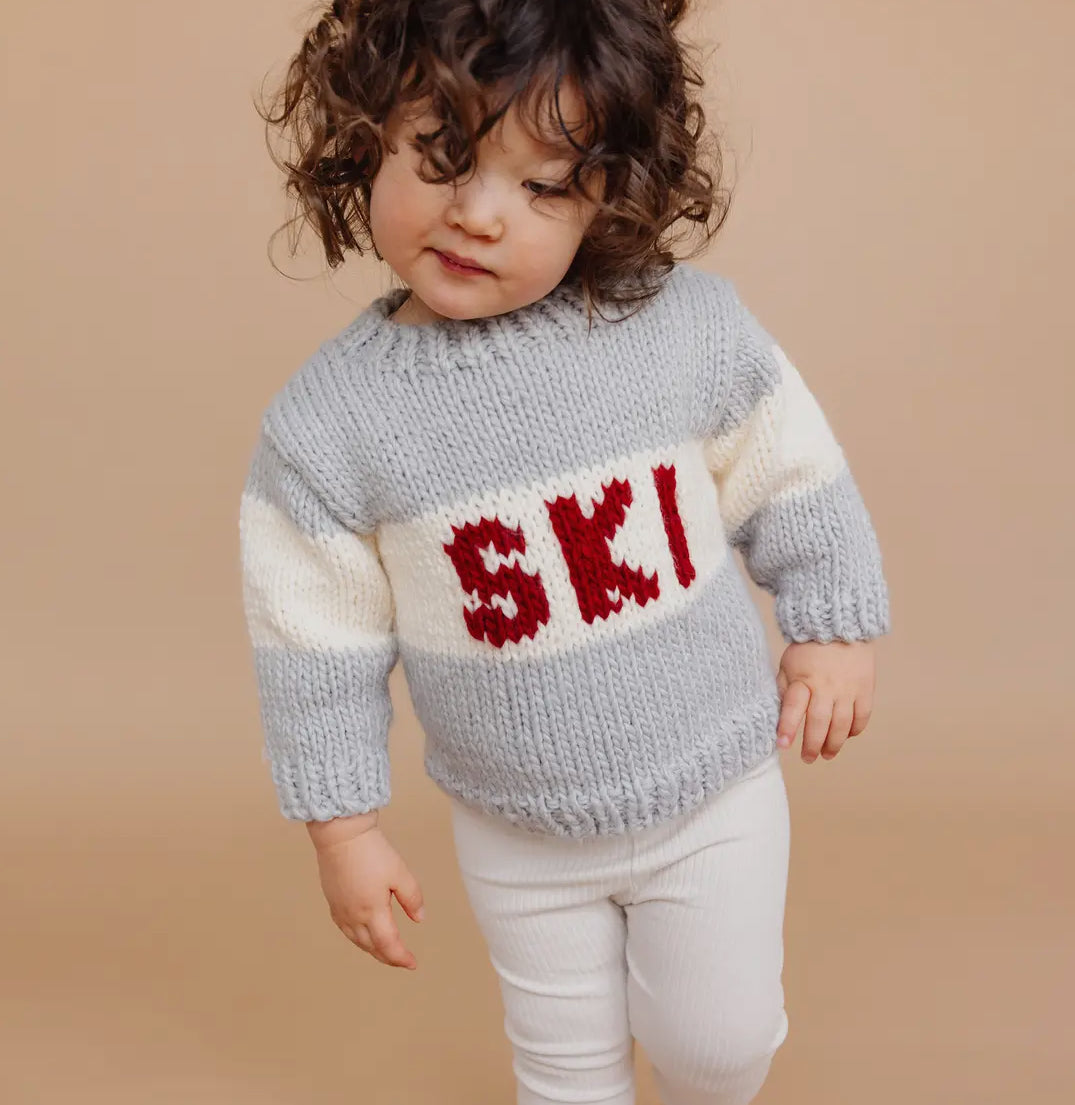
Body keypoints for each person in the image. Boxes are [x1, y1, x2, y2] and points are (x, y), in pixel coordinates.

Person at [238, 2, 892, 1103]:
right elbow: (313, 644)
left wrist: (833, 622)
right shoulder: (327, 428)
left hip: (714, 789)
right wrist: (342, 826)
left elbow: (790, 470)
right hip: (516, 828)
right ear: (364, 138)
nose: (480, 215)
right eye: (443, 158)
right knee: (565, 1070)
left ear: (610, 199)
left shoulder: (682, 329)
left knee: (718, 1043)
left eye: (542, 186)